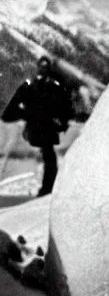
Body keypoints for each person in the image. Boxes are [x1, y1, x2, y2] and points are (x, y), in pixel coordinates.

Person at [2, 56, 73, 197]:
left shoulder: (31, 86)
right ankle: (48, 190)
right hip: (42, 134)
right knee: (49, 159)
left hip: (36, 134)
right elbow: (67, 111)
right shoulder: (54, 87)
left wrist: (26, 114)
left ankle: (47, 190)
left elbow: (8, 113)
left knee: (47, 159)